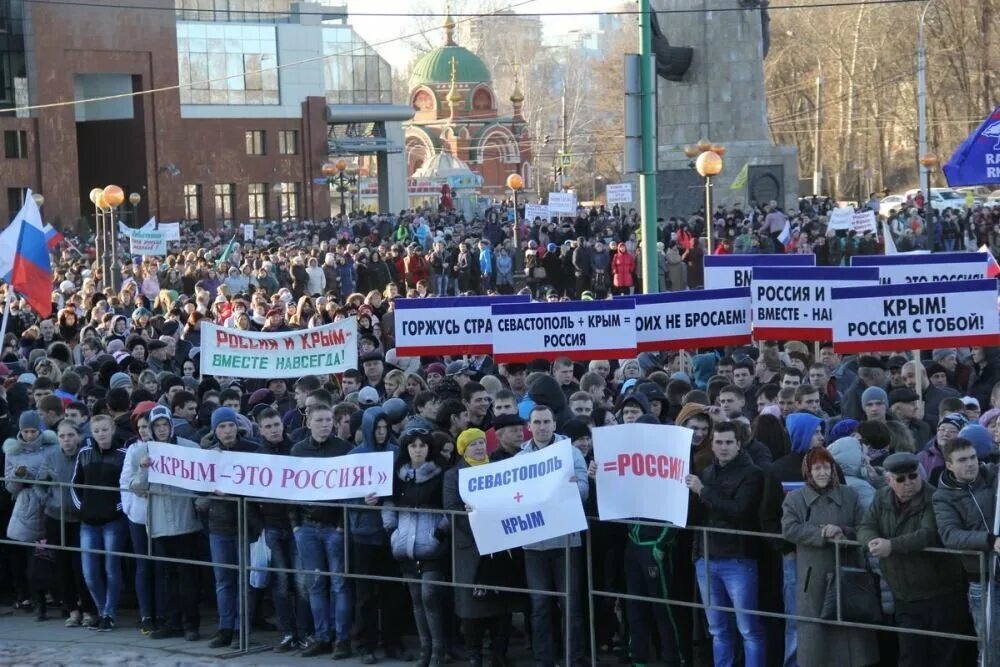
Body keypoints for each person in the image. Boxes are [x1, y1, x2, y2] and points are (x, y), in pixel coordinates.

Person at [857, 452, 966, 666]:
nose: (908, 483)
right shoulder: (881, 497)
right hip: (903, 593)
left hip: (939, 593)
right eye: (900, 479)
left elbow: (927, 533)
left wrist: (891, 545)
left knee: (942, 655)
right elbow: (865, 525)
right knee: (910, 655)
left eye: (913, 476)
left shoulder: (935, 497)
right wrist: (871, 541)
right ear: (889, 480)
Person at [781, 446, 879, 666]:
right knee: (817, 639)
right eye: (817, 468)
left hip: (848, 570)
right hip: (813, 576)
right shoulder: (795, 499)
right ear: (808, 471)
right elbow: (789, 529)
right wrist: (820, 533)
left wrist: (844, 531)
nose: (822, 473)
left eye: (826, 467)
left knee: (851, 633)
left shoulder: (849, 494)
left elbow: (864, 525)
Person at [685, 420, 766, 667]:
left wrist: (703, 492)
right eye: (718, 442)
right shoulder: (708, 472)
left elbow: (739, 510)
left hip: (737, 558)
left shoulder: (752, 473)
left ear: (739, 444)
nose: (723, 447)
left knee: (748, 628)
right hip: (707, 556)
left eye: (728, 442)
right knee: (717, 628)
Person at [518, 404, 589, 667]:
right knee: (539, 605)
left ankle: (574, 659)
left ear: (555, 424)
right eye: (537, 422)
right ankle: (543, 660)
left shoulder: (570, 453)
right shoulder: (520, 458)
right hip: (534, 545)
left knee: (570, 605)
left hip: (566, 541)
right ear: (529, 426)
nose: (542, 427)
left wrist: (569, 488)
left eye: (546, 421)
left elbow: (584, 488)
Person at [443, 427, 518, 667]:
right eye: (473, 444)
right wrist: (478, 524)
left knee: (501, 602)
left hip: (499, 545)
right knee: (471, 606)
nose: (479, 447)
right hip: (470, 547)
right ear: (464, 449)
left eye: (481, 442)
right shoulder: (454, 475)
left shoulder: (497, 468)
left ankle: (499, 654)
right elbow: (452, 508)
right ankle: (474, 654)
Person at [290, 403, 354, 659]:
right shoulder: (297, 451)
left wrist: (341, 525)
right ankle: (322, 636)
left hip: (334, 528)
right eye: (320, 420)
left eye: (329, 420)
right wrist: (295, 525)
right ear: (309, 423)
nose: (325, 424)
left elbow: (351, 490)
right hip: (306, 527)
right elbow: (290, 492)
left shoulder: (345, 450)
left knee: (339, 584)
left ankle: (342, 638)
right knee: (315, 584)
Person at [382, 428, 450, 667]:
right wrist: (392, 530)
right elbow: (388, 502)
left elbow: (450, 507)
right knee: (416, 600)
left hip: (431, 545)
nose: (418, 450)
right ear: (407, 449)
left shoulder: (441, 473)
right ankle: (425, 649)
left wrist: (439, 533)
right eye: (413, 446)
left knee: (429, 596)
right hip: (404, 545)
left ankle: (438, 650)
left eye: (422, 445)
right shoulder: (398, 475)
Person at [932, 436, 1000, 665]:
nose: (970, 464)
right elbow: (950, 535)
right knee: (989, 643)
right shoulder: (942, 497)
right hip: (981, 579)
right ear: (949, 465)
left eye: (972, 458)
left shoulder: (992, 476)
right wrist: (990, 540)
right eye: (962, 460)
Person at [71, 414, 128, 632]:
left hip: (113, 521)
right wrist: (82, 507)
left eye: (105, 430)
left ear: (112, 430)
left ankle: (109, 614)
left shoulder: (122, 454)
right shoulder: (84, 453)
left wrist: (118, 507)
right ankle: (101, 608)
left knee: (111, 568)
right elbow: (75, 484)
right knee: (90, 572)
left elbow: (127, 488)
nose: (101, 434)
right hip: (89, 521)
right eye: (97, 431)